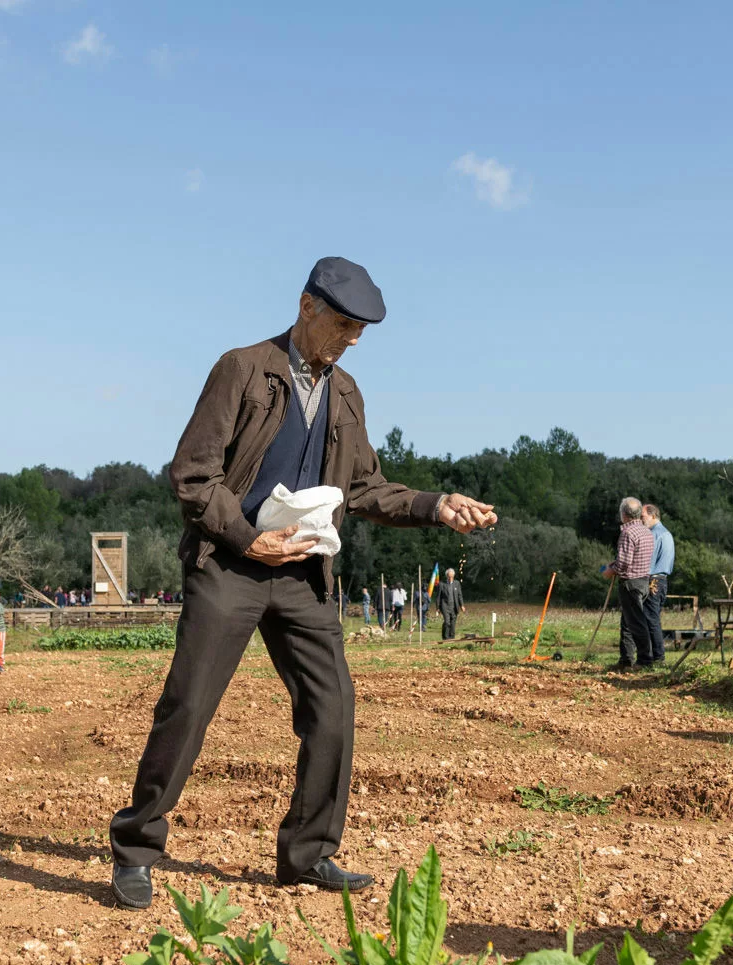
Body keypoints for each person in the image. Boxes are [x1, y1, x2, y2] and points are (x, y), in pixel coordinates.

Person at [108, 256, 497, 910]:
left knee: (333, 708)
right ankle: (136, 848)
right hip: (230, 566)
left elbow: (365, 488)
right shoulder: (242, 368)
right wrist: (244, 536)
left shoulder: (346, 393)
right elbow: (192, 475)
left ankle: (309, 854)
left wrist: (436, 504)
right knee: (189, 706)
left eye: (361, 330)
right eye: (344, 323)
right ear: (306, 306)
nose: (353, 339)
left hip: (302, 575)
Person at [602, 497, 655, 668]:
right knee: (628, 622)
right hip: (643, 581)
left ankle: (645, 660)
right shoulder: (647, 532)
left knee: (636, 623)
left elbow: (624, 563)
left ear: (623, 514)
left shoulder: (627, 533)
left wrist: (611, 570)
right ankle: (626, 660)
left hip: (631, 583)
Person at [641, 504, 674, 665]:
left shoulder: (653, 535)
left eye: (643, 517)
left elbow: (648, 561)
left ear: (653, 516)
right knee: (653, 618)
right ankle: (656, 655)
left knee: (650, 619)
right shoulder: (667, 533)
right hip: (663, 580)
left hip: (653, 580)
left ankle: (658, 657)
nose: (641, 520)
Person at [437, 568, 465, 639]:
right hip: (445, 606)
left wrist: (462, 605)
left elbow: (459, 595)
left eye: (452, 577)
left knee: (453, 623)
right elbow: (438, 597)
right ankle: (446, 637)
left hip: (454, 606)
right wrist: (438, 608)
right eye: (449, 577)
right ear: (447, 576)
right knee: (447, 622)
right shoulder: (442, 584)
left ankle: (452, 637)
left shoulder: (457, 583)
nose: (450, 578)